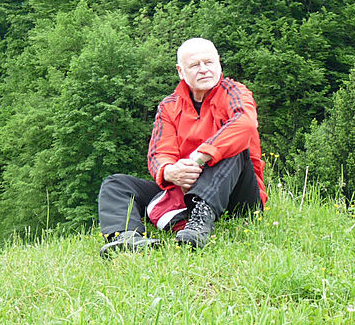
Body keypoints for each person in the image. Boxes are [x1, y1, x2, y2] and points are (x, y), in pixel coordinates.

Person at [98, 37, 267, 255]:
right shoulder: (169, 106)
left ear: (219, 63)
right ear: (181, 71)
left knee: (235, 148)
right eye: (195, 65)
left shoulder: (235, 92)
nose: (204, 70)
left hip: (238, 192)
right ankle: (127, 238)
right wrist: (170, 171)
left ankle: (199, 223)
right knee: (116, 184)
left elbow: (245, 123)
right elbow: (160, 152)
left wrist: (202, 155)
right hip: (184, 186)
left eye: (209, 62)